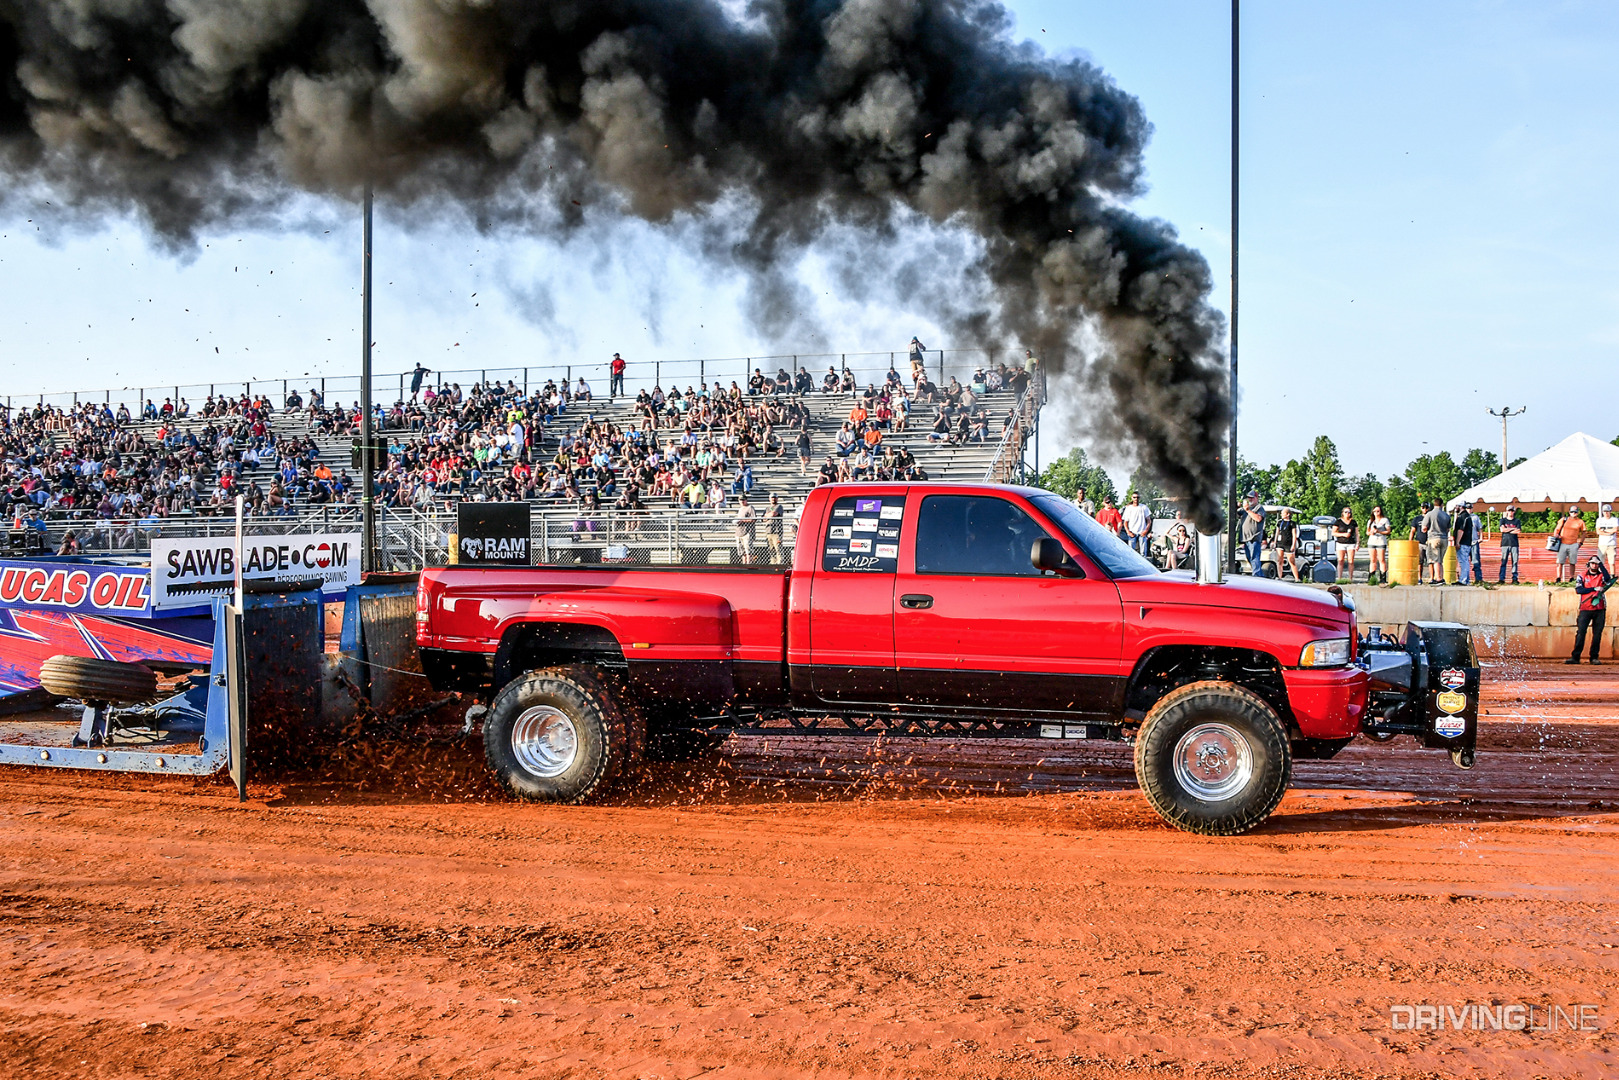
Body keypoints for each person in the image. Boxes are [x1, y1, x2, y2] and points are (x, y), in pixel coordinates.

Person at [1567, 554, 1615, 664]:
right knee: (1581, 632)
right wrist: (1594, 588)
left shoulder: (1602, 575)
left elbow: (1608, 579)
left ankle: (1594, 657)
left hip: (1600, 608)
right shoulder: (1582, 575)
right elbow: (1579, 590)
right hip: (1585, 608)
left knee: (1597, 634)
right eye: (1593, 563)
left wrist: (1601, 564)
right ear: (1589, 564)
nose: (1594, 565)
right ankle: (1575, 657)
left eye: (1596, 564)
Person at [1421, 500, 1450, 584]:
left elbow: (1424, 528)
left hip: (1433, 538)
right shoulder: (1446, 515)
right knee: (1441, 560)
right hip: (1444, 538)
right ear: (1442, 505)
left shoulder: (1429, 514)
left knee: (1435, 559)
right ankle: (1442, 577)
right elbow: (1448, 529)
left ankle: (1438, 578)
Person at [1239, 490, 1266, 576]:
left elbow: (1258, 519)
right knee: (1249, 557)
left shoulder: (1259, 508)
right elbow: (1237, 514)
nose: (1250, 500)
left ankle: (1257, 575)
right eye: (1249, 498)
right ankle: (1260, 575)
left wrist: (1248, 511)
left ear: (1256, 498)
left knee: (1254, 557)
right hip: (1246, 538)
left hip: (1254, 538)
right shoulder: (1245, 509)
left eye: (1252, 498)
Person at [1556, 505, 1586, 583]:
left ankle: (1571, 577)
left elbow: (1584, 532)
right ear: (1569, 512)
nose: (1574, 513)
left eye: (1575, 512)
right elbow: (1557, 529)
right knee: (1560, 561)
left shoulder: (1580, 522)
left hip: (1573, 544)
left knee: (1572, 562)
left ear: (1578, 513)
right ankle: (1558, 578)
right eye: (1572, 512)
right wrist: (1556, 535)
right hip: (1562, 543)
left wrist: (1581, 542)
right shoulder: (1564, 520)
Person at [1450, 502, 1476, 586]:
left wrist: (1457, 542)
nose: (1455, 508)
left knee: (1463, 561)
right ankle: (1466, 579)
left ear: (1461, 507)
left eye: (1456, 506)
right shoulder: (1467, 516)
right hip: (1467, 542)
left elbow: (1461, 530)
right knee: (1465, 561)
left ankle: (1463, 580)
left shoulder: (1462, 517)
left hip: (1463, 542)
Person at [1274, 507, 1301, 582]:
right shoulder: (1279, 522)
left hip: (1288, 544)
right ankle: (1279, 576)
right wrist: (1275, 542)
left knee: (1291, 560)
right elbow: (1277, 533)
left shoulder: (1292, 523)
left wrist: (1293, 545)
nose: (1281, 514)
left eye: (1283, 513)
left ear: (1288, 514)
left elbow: (1294, 535)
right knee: (1280, 560)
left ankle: (1296, 577)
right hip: (1280, 543)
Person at [1121, 492, 1153, 556]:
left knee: (1143, 553)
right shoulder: (1128, 508)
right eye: (1134, 497)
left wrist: (1146, 531)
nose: (1136, 499)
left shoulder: (1144, 507)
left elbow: (1149, 521)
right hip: (1132, 532)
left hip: (1142, 532)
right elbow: (1125, 522)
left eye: (1137, 497)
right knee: (1131, 552)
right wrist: (1128, 532)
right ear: (1132, 498)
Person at [1366, 505, 1391, 583]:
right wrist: (1371, 532)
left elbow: (1388, 531)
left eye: (1378, 511)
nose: (1376, 513)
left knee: (1381, 559)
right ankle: (1371, 577)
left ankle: (1383, 578)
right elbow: (1367, 532)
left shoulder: (1384, 520)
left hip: (1380, 541)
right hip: (1372, 541)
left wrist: (1379, 531)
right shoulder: (1370, 521)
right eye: (1375, 511)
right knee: (1372, 560)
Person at [1333, 506, 1359, 582]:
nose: (1347, 513)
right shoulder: (1338, 522)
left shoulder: (1353, 522)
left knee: (1351, 561)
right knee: (1340, 560)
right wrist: (1343, 534)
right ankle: (1340, 578)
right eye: (1346, 512)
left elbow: (1357, 534)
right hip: (1340, 543)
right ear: (1342, 513)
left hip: (1351, 543)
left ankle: (1350, 578)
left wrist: (1357, 543)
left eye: (1349, 512)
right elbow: (1333, 533)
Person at [1497, 505, 1522, 584]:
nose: (1510, 512)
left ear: (1514, 512)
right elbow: (1502, 530)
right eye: (1509, 511)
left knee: (1515, 561)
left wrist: (1507, 530)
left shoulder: (1517, 521)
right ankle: (1501, 578)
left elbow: (1518, 531)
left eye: (1512, 511)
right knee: (1504, 561)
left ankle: (1514, 578)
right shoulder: (1503, 520)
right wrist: (1512, 529)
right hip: (1505, 543)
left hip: (1514, 544)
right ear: (1507, 511)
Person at [1596, 503, 1619, 574]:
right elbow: (1598, 531)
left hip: (1611, 544)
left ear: (1610, 511)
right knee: (1600, 562)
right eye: (1604, 511)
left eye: (1607, 511)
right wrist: (1609, 532)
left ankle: (1612, 575)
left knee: (1611, 562)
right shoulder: (1599, 520)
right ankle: (1600, 576)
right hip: (1602, 544)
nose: (1606, 513)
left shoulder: (1614, 520)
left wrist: (1604, 531)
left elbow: (1615, 530)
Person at [734, 494, 756, 564]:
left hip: (747, 531)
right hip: (739, 532)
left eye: (743, 500)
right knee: (741, 551)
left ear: (746, 500)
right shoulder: (740, 509)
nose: (742, 501)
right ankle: (744, 564)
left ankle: (749, 564)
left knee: (748, 550)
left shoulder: (750, 507)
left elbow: (753, 519)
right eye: (740, 500)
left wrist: (743, 520)